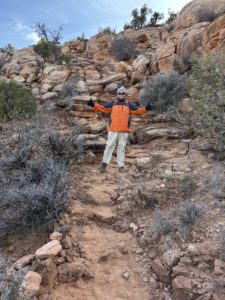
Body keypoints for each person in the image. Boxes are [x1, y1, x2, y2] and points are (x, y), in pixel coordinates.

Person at [87, 86, 153, 173]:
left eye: (123, 93)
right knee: (109, 146)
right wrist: (93, 105)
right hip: (113, 130)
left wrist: (146, 108)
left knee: (121, 148)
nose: (121, 95)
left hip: (124, 130)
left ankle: (121, 166)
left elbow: (137, 111)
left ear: (125, 94)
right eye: (119, 93)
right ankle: (104, 165)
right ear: (117, 94)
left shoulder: (128, 104)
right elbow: (103, 108)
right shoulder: (113, 103)